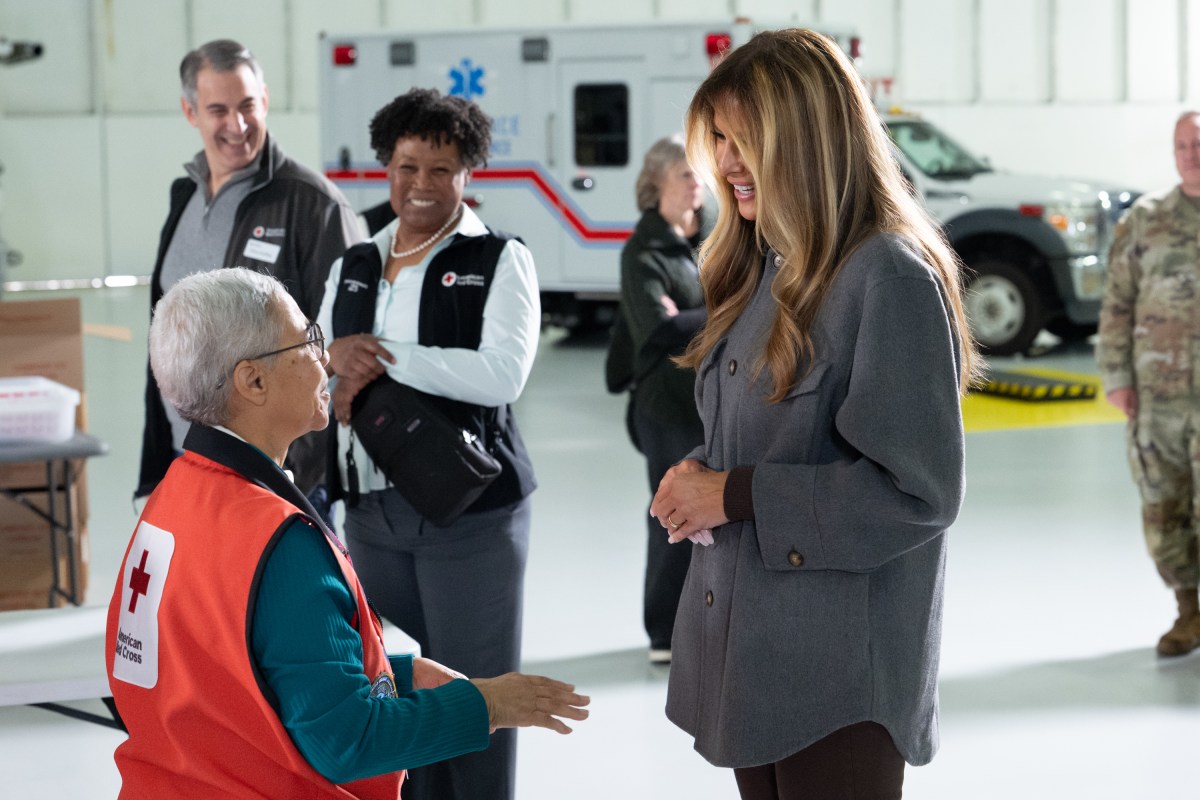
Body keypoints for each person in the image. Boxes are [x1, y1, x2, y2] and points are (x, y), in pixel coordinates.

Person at [105, 268, 588, 798]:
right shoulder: (277, 542)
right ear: (253, 381)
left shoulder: (178, 494)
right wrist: (490, 704)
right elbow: (349, 742)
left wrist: (389, 673)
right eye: (308, 341)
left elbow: (229, 671)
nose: (324, 360)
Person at [648, 29, 978, 800]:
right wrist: (699, 476)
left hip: (836, 676)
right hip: (751, 647)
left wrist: (732, 494)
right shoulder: (763, 265)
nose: (725, 163)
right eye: (720, 139)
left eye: (745, 139)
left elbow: (919, 496)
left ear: (808, 138)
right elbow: (757, 434)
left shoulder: (885, 276)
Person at [316, 88, 540, 800]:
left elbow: (502, 375)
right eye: (407, 166)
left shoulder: (499, 259)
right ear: (386, 165)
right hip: (371, 521)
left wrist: (377, 356)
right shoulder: (353, 262)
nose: (420, 185)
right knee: (396, 693)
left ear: (468, 173)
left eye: (440, 169)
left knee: (477, 700)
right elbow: (319, 358)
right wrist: (335, 366)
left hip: (467, 518)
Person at [136, 38, 363, 525]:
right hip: (191, 462)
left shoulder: (312, 204)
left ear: (265, 100)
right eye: (218, 109)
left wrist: (301, 466)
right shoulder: (184, 198)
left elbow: (346, 339)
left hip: (276, 475)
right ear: (189, 111)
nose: (236, 125)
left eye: (248, 106)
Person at [1097, 110, 1200, 657]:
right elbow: (1117, 301)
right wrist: (1117, 376)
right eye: (1182, 144)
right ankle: (1188, 610)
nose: (1191, 153)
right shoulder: (1145, 220)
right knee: (1164, 507)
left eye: (1198, 143)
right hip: (1159, 398)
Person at [612, 135, 707, 664]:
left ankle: (705, 625)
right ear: (658, 187)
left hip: (709, 401)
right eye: (686, 176)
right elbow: (658, 327)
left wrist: (686, 320)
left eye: (699, 175)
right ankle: (663, 632)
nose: (698, 184)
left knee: (715, 516)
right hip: (664, 405)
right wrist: (722, 314)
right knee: (672, 512)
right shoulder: (642, 251)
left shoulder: (714, 235)